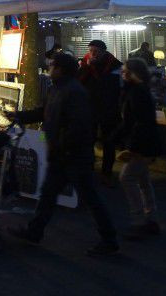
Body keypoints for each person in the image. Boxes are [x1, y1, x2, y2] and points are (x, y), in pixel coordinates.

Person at [9, 52, 119, 256]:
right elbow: (44, 112)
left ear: (61, 69)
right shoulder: (56, 89)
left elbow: (79, 126)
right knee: (48, 194)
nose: (49, 68)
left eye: (52, 65)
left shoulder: (75, 92)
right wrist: (19, 116)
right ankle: (34, 232)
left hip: (74, 156)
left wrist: (62, 146)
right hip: (62, 155)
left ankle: (109, 239)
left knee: (90, 197)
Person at [116, 57, 161, 240]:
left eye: (125, 71)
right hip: (146, 144)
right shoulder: (140, 90)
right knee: (142, 179)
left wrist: (131, 146)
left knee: (127, 177)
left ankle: (139, 220)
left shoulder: (136, 92)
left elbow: (137, 122)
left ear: (132, 73)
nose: (122, 73)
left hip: (141, 145)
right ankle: (151, 218)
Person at [79, 39, 123, 185]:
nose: (93, 54)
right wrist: (87, 67)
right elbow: (78, 81)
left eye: (96, 51)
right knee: (88, 140)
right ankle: (89, 170)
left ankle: (107, 172)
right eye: (91, 51)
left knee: (108, 142)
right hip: (89, 108)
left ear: (103, 52)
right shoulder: (85, 64)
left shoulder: (114, 65)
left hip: (109, 109)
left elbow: (113, 86)